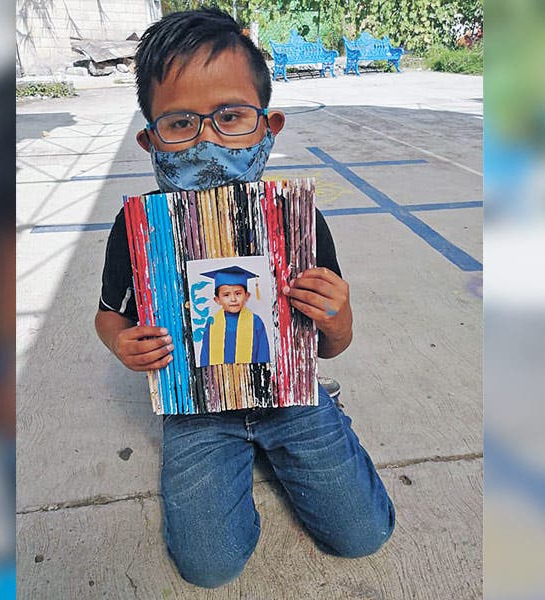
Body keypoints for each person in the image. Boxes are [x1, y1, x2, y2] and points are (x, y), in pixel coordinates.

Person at [94, 8, 394, 589]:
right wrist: (122, 343)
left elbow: (331, 344)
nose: (208, 140)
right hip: (196, 409)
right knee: (209, 566)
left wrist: (338, 317)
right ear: (149, 139)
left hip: (291, 395)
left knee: (363, 534)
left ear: (268, 126)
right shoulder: (139, 229)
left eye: (231, 116)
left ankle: (322, 416)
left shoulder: (295, 222)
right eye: (180, 123)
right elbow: (109, 316)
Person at [196, 265, 272, 366]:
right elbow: (205, 354)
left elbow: (263, 354)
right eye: (226, 295)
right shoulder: (212, 322)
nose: (233, 299)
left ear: (247, 296)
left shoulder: (255, 321)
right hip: (218, 374)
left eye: (238, 294)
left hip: (250, 373)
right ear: (217, 300)